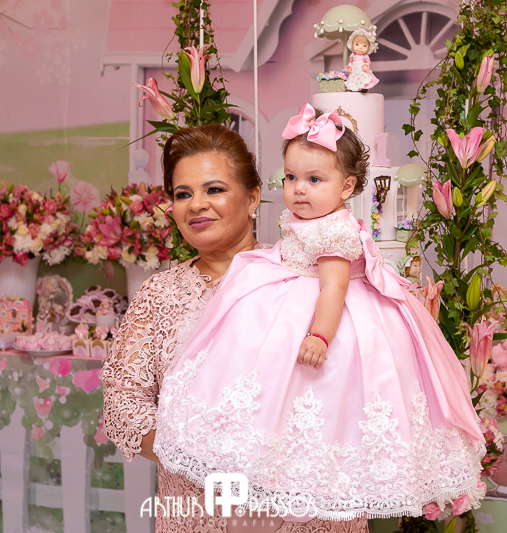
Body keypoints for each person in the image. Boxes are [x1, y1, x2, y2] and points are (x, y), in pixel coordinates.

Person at [153, 104, 486, 523]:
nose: (298, 190)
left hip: (323, 308)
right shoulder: (304, 218)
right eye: (291, 178)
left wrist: (320, 335)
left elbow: (333, 288)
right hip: (290, 285)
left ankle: (304, 469)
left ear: (346, 187)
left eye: (314, 180)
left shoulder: (334, 229)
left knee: (321, 387)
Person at [103, 124, 369, 532]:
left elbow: (361, 384)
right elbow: (123, 405)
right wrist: (202, 455)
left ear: (253, 197)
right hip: (197, 512)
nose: (196, 205)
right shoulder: (159, 295)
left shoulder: (307, 278)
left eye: (214, 189)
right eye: (182, 194)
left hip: (310, 513)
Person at [344, 26, 379, 92]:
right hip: (354, 70)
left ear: (368, 47)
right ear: (352, 45)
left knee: (362, 78)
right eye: (357, 44)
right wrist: (350, 67)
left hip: (361, 70)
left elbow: (368, 62)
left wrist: (366, 65)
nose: (360, 48)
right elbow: (351, 62)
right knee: (354, 79)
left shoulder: (365, 56)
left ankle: (363, 87)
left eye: (364, 46)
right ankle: (353, 87)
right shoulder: (353, 55)